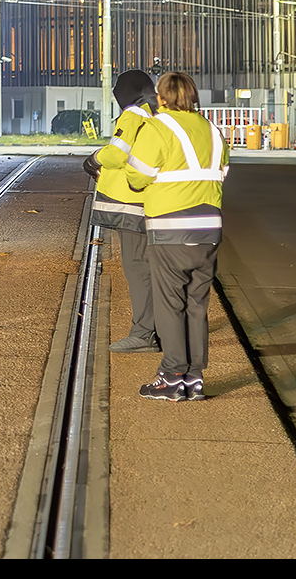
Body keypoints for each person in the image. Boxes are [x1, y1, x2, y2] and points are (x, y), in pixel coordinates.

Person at [122, 71, 230, 401]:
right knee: (197, 304)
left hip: (170, 229)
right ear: (192, 96)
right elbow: (222, 171)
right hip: (208, 228)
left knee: (170, 304)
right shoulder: (213, 130)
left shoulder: (157, 127)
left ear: (162, 97)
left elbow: (136, 176)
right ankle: (194, 378)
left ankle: (171, 377)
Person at [89, 69, 161, 353]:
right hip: (157, 202)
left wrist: (94, 158)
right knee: (159, 268)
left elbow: (117, 154)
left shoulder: (134, 114)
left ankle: (144, 334)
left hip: (131, 203)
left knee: (138, 267)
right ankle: (165, 329)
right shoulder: (160, 114)